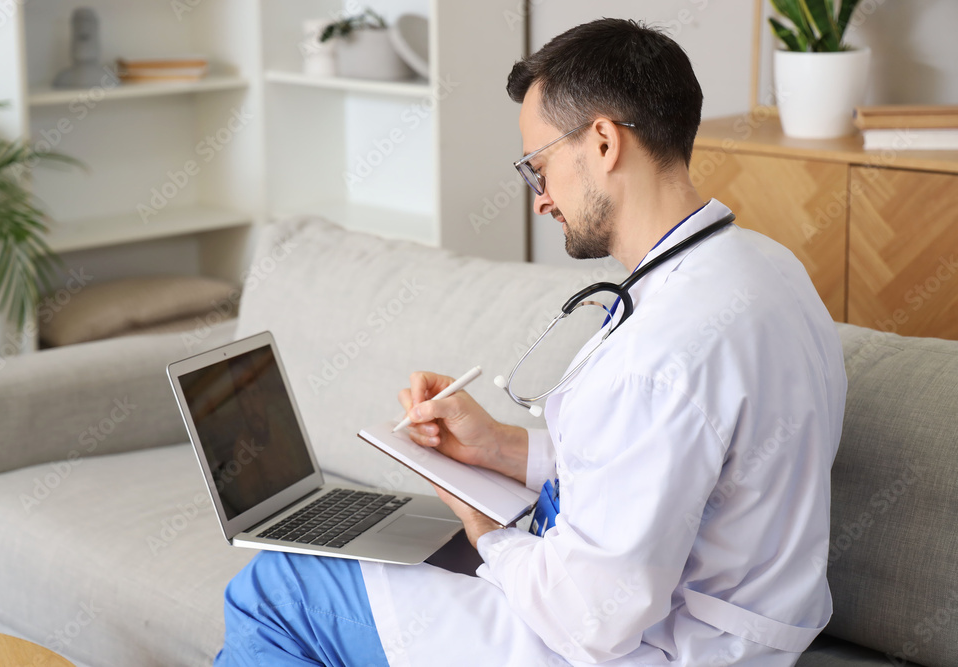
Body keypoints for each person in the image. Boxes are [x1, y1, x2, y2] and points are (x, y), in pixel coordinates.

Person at [215, 18, 846, 666]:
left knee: (275, 586)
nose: (540, 199)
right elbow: (663, 461)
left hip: (644, 647)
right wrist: (500, 448)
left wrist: (485, 531)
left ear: (603, 141)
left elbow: (589, 620)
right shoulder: (769, 269)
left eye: (536, 165)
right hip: (730, 630)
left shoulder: (660, 354)